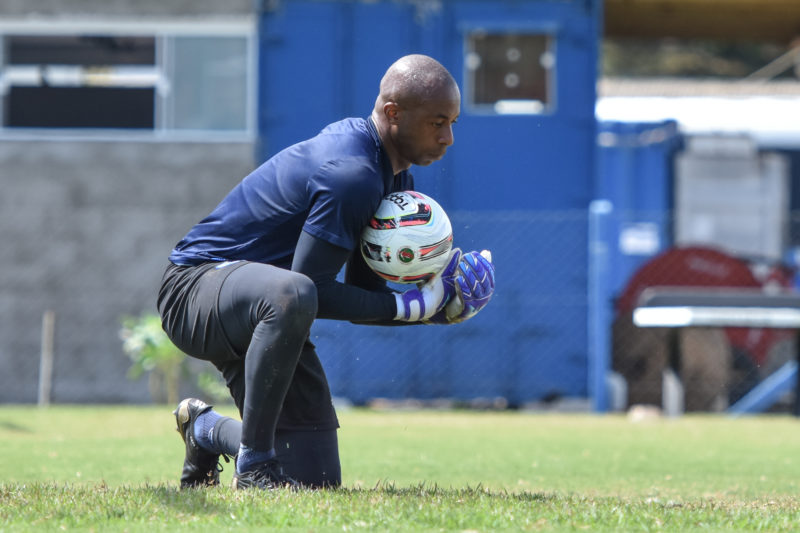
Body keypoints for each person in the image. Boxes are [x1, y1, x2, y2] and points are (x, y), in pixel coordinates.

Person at [157, 54, 495, 491]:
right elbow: (310, 290)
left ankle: (205, 431)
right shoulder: (353, 175)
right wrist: (419, 305)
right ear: (394, 113)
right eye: (437, 122)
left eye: (452, 123)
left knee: (313, 479)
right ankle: (254, 465)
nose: (448, 137)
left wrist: (437, 305)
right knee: (294, 293)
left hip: (265, 308)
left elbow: (361, 296)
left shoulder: (389, 177)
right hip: (195, 288)